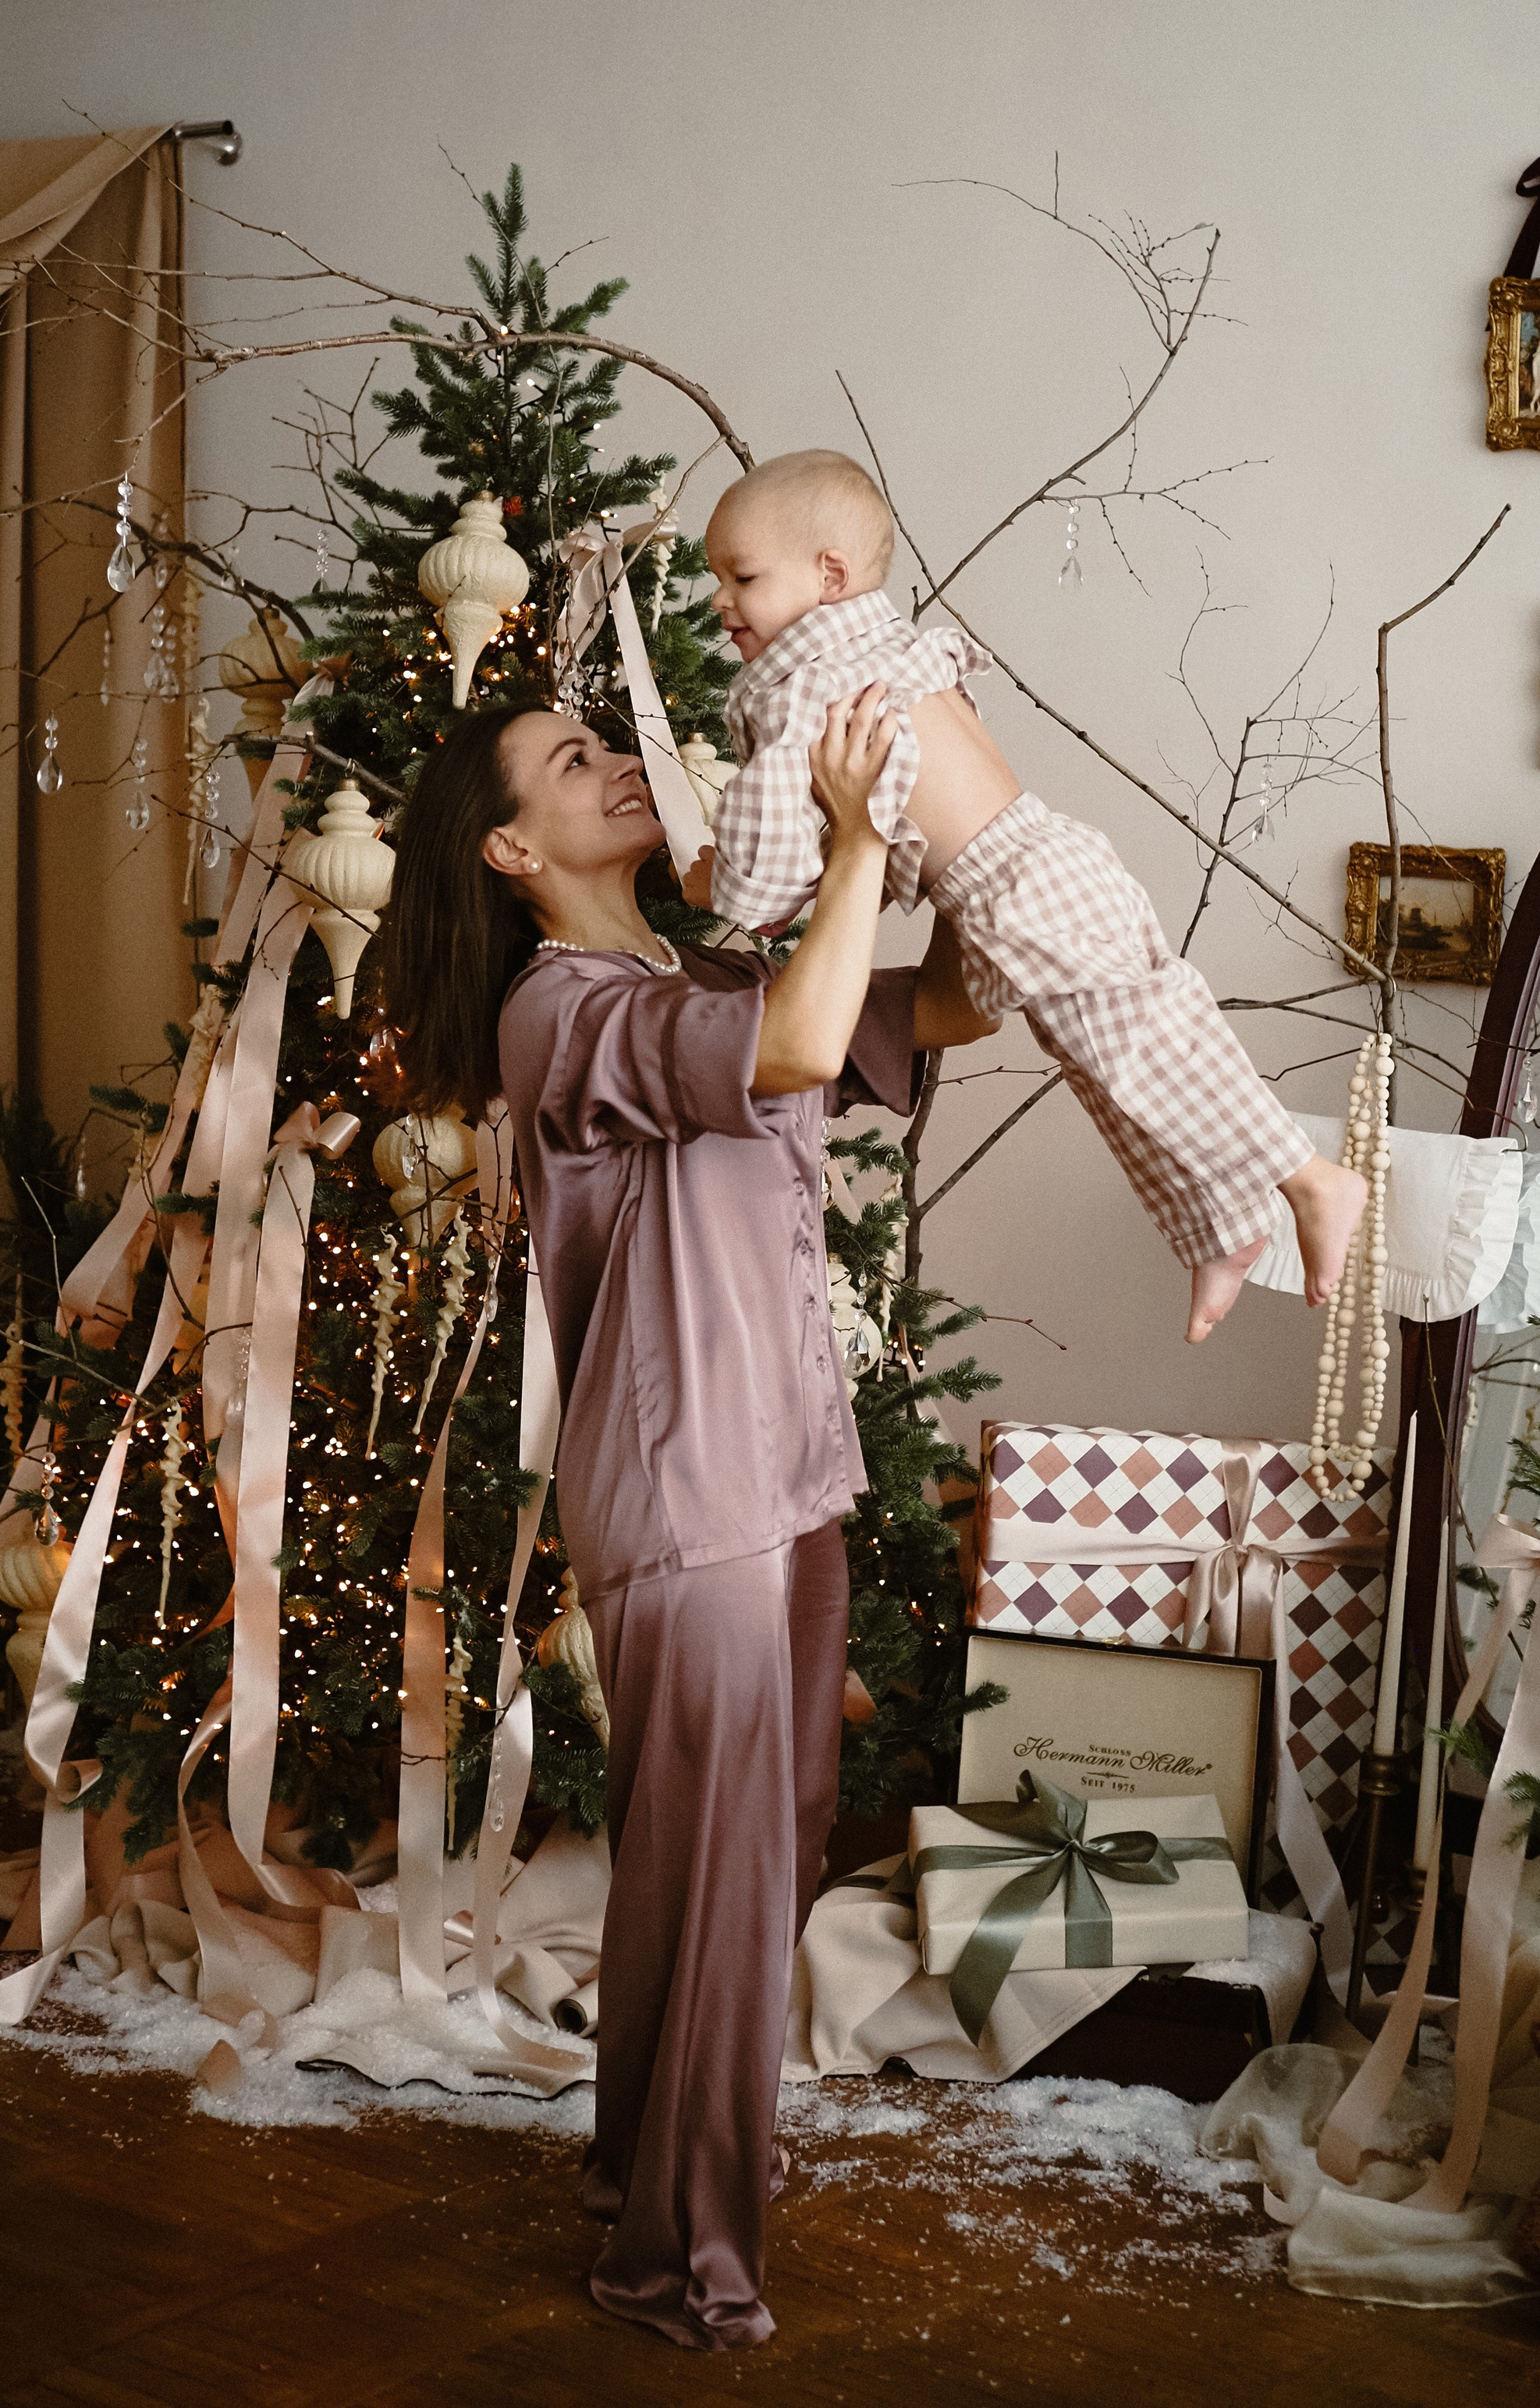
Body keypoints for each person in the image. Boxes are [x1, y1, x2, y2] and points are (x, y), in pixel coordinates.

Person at [381, 687, 997, 2352]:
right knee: (726, 1869)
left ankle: (636, 2171)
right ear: (514, 849)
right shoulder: (556, 1009)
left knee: (751, 1844)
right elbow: (800, 1047)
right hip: (683, 1488)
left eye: (604, 740)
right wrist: (855, 832)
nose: (612, 762)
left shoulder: (709, 973)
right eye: (570, 762)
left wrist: (970, 819)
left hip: (784, 1468)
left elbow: (942, 997)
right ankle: (681, 2264)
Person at [680, 448, 1368, 1344]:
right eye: (714, 577)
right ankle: (1221, 1226)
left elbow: (768, 856)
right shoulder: (883, 645)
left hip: (1016, 882)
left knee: (1141, 1036)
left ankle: (1309, 1177)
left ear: (829, 576)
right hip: (1035, 862)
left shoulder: (805, 680)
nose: (720, 600)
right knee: (1104, 1055)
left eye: (741, 576)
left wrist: (712, 881)